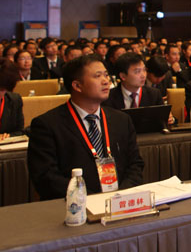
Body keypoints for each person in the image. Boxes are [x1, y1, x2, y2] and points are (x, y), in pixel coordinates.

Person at [27, 55, 144, 200]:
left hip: (119, 203)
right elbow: (46, 177)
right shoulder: (47, 124)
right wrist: (90, 199)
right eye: (97, 76)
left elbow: (135, 164)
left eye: (106, 75)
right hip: (74, 205)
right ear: (77, 86)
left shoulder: (121, 120)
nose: (106, 81)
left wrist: (119, 196)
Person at [0, 58, 24, 138]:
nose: (1, 94)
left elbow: (20, 131)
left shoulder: (14, 100)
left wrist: (8, 135)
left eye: (3, 90)